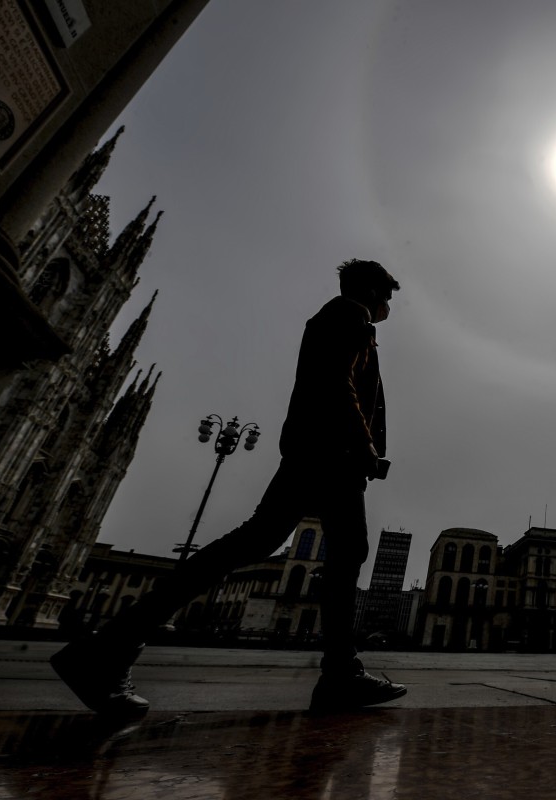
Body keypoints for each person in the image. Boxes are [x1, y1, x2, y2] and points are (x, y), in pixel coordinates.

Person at [51, 259, 406, 715]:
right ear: (373, 292)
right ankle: (340, 675)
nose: (389, 305)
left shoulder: (338, 319)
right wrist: (365, 446)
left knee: (263, 542)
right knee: (334, 549)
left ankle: (112, 645)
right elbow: (338, 384)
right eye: (388, 296)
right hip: (331, 455)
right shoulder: (348, 315)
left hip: (317, 453)